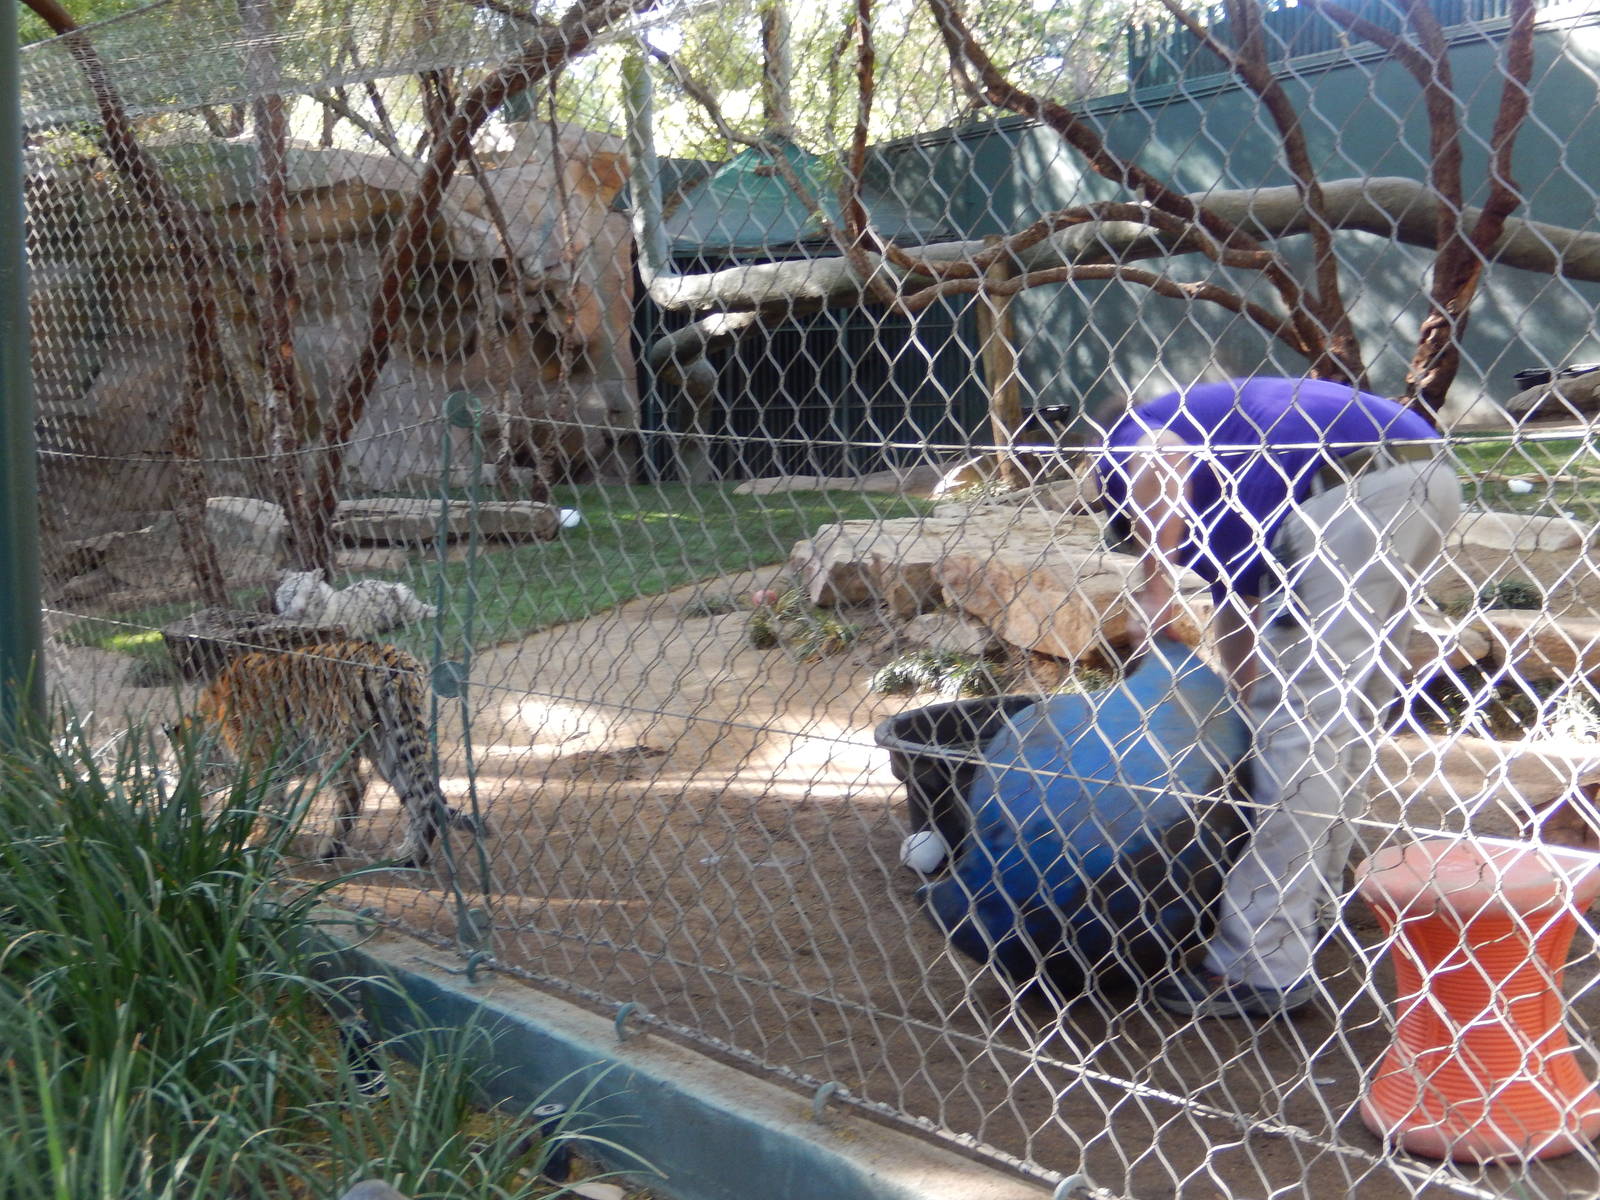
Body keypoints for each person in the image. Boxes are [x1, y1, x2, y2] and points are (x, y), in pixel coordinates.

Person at [1096, 376, 1463, 1019]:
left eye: (1122, 512)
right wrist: (1245, 719)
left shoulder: (1136, 430)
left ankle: (1260, 961)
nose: (1130, 522)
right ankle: (1317, 903)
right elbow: (1239, 620)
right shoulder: (1235, 496)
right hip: (1422, 477)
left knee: (1306, 726)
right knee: (1342, 713)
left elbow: (1158, 459)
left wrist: (1154, 588)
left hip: (1342, 499)